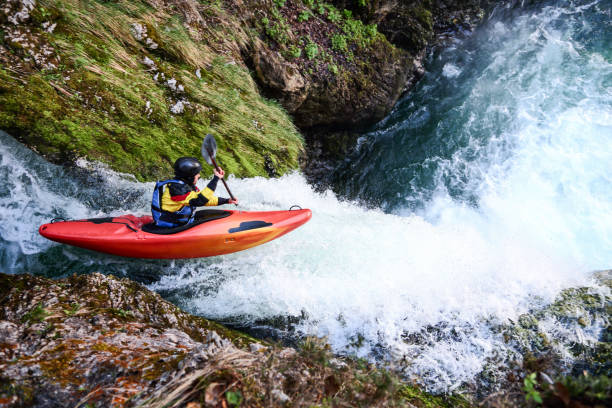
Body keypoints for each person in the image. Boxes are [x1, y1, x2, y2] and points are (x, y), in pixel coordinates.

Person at [151, 157, 238, 228]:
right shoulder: (176, 189)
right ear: (189, 177)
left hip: (182, 222)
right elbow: (200, 200)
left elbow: (205, 199)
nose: (199, 175)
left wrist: (227, 200)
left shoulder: (186, 185)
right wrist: (215, 179)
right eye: (197, 174)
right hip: (169, 226)